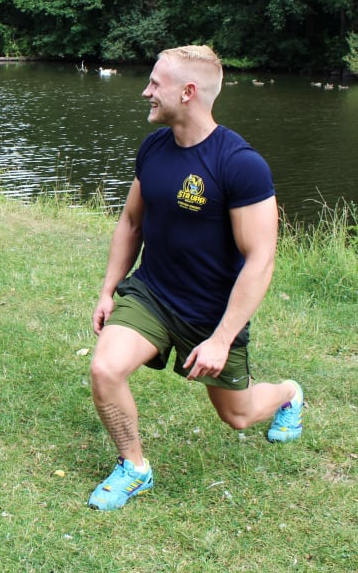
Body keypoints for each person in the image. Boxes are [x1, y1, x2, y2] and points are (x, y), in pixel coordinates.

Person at [87, 45, 303, 511]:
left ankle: (289, 395)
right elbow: (131, 222)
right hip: (152, 294)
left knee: (239, 415)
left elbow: (260, 260)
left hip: (211, 314)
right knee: (105, 369)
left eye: (155, 84)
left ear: (187, 92)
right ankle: (134, 467)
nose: (145, 92)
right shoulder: (154, 148)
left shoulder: (241, 164)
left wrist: (222, 339)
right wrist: (108, 290)